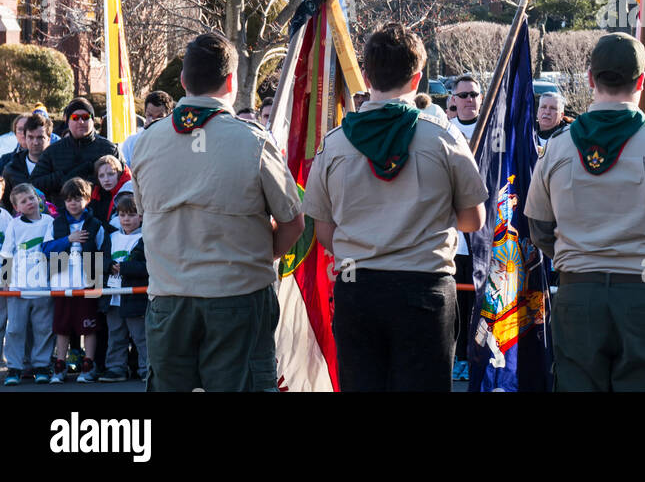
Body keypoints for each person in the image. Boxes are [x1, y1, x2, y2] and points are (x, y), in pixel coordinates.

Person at [304, 24, 487, 392]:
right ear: (418, 78)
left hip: (359, 287)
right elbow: (473, 219)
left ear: (367, 76)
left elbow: (322, 229)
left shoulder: (335, 144)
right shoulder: (444, 138)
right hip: (425, 288)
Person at [525, 32, 645, 392]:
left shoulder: (558, 148)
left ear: (590, 79)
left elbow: (540, 229)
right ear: (642, 80)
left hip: (579, 295)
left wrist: (583, 254)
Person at [131, 32, 304, 392]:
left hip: (169, 300)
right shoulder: (253, 140)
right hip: (238, 296)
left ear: (182, 81)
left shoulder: (146, 142)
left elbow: (145, 212)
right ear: (231, 80)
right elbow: (293, 221)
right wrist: (263, 253)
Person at [41, 177, 110, 383]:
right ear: (64, 201)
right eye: (69, 199)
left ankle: (88, 364)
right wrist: (67, 240)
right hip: (62, 284)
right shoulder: (57, 223)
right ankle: (60, 365)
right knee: (62, 327)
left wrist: (97, 278)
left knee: (88, 326)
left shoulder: (95, 225)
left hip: (86, 284)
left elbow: (103, 252)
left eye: (78, 198)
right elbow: (45, 248)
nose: (73, 203)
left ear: (87, 200)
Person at [445, 73, 484, 380]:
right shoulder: (446, 132)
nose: (470, 100)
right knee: (457, 300)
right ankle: (458, 356)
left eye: (474, 94)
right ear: (453, 100)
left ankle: (479, 355)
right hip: (455, 234)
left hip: (486, 233)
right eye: (464, 95)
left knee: (481, 299)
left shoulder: (495, 132)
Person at [1, 183, 54, 385]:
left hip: (42, 287)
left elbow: (52, 250)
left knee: (43, 328)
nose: (29, 203)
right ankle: (14, 368)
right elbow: (6, 253)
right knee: (15, 329)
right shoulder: (14, 225)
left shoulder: (49, 221)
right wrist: (5, 280)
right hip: (17, 287)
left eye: (31, 198)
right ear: (17, 207)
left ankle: (41, 365)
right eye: (24, 201)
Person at [29, 98, 119, 199]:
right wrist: (64, 176)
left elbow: (123, 180)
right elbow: (34, 183)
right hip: (62, 211)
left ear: (92, 120)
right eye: (75, 117)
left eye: (85, 117)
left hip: (101, 210)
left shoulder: (108, 149)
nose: (81, 122)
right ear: (68, 121)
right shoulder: (53, 151)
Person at [100, 194, 148, 383]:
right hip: (113, 296)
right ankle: (116, 368)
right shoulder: (111, 236)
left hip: (135, 296)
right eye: (122, 215)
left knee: (141, 336)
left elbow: (149, 266)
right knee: (116, 335)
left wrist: (125, 268)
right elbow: (101, 259)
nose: (126, 219)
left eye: (131, 215)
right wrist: (108, 265)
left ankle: (147, 368)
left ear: (141, 217)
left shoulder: (147, 237)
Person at [2, 112, 48, 211]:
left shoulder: (58, 166)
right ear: (25, 137)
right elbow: (6, 202)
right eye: (31, 137)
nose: (35, 142)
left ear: (49, 139)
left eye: (40, 137)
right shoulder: (11, 168)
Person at [118, 91, 174, 168]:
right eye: (150, 115)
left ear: (169, 115)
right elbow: (125, 172)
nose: (153, 120)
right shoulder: (131, 142)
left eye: (159, 117)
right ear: (145, 113)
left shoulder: (174, 141)